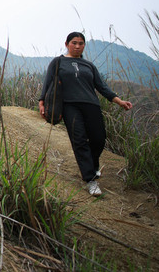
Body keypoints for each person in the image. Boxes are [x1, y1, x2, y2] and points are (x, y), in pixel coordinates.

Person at [38, 32, 133, 196]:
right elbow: (48, 83)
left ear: (83, 46)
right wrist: (42, 102)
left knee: (98, 138)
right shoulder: (58, 62)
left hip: (91, 105)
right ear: (67, 43)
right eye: (74, 43)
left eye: (81, 43)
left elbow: (102, 87)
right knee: (79, 139)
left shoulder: (89, 65)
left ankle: (93, 164)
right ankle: (90, 180)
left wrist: (119, 101)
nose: (77, 46)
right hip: (69, 106)